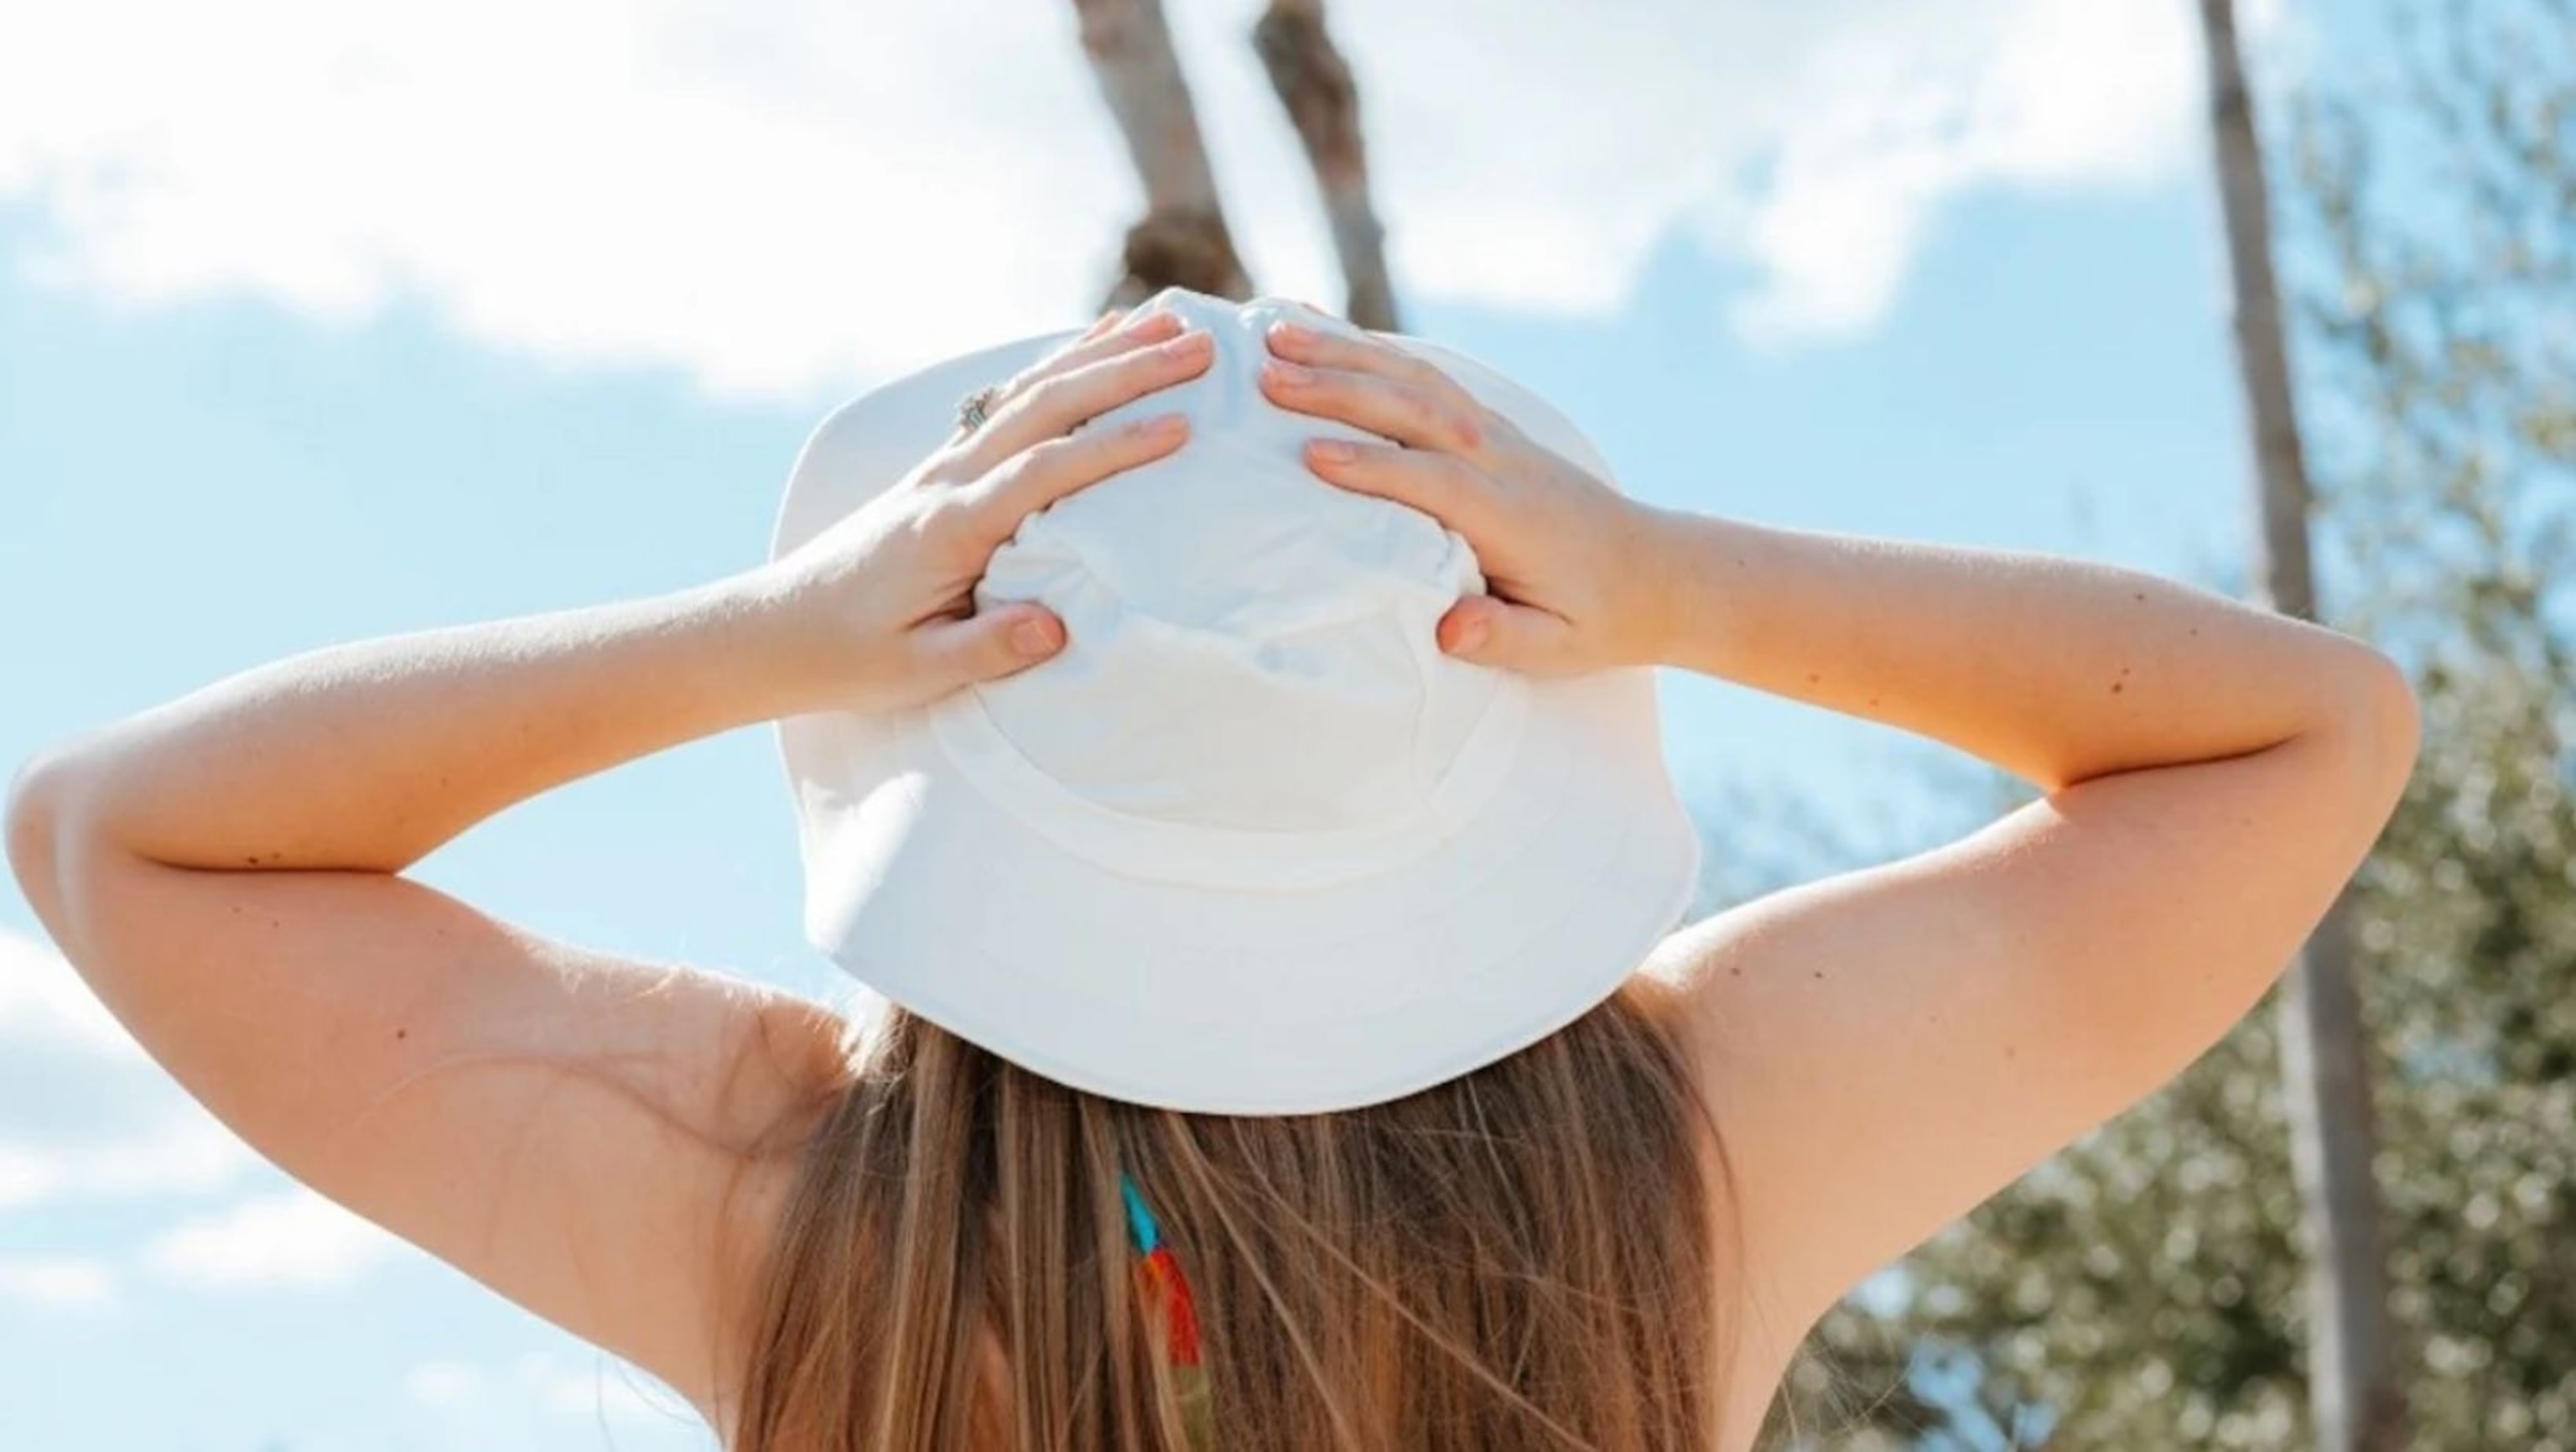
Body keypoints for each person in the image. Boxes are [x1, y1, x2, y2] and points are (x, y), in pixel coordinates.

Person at [3, 285, 2420, 1452]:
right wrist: (1684, 582)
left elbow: (118, 836)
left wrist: (769, 635)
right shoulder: (1699, 1157)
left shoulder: (788, 1207)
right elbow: (2306, 729)